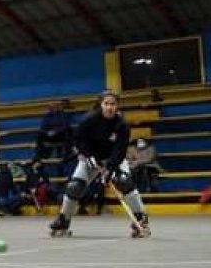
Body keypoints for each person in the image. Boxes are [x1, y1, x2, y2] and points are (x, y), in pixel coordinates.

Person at [49, 91, 150, 237]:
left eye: (113, 104)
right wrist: (88, 155)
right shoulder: (89, 120)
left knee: (123, 182)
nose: (109, 107)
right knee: (74, 187)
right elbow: (78, 139)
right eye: (106, 104)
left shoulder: (122, 125)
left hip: (113, 159)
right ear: (100, 105)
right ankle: (63, 220)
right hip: (91, 159)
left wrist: (110, 169)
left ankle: (140, 218)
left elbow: (120, 150)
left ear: (117, 106)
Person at [35, 101, 73, 168]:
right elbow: (43, 127)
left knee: (67, 133)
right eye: (51, 108)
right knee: (40, 136)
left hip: (60, 135)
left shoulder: (64, 115)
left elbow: (65, 125)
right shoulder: (47, 116)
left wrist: (56, 131)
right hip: (50, 136)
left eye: (55, 107)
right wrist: (47, 132)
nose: (53, 109)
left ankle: (66, 156)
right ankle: (38, 157)